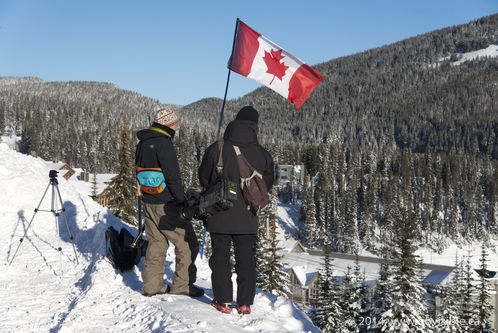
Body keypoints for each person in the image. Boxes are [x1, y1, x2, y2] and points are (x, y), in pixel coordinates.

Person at [198, 106, 274, 314]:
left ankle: (222, 301)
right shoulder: (262, 154)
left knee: (220, 258)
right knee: (246, 260)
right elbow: (267, 183)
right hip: (248, 216)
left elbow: (204, 177)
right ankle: (244, 303)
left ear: (235, 122)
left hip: (220, 213)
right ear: (254, 126)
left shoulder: (218, 148)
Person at [135, 108, 204, 298]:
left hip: (148, 200)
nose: (176, 127)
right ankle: (182, 285)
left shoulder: (142, 143)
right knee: (188, 242)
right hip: (166, 203)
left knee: (156, 243)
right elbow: (173, 176)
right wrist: (182, 201)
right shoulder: (164, 144)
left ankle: (152, 286)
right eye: (174, 124)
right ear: (168, 124)